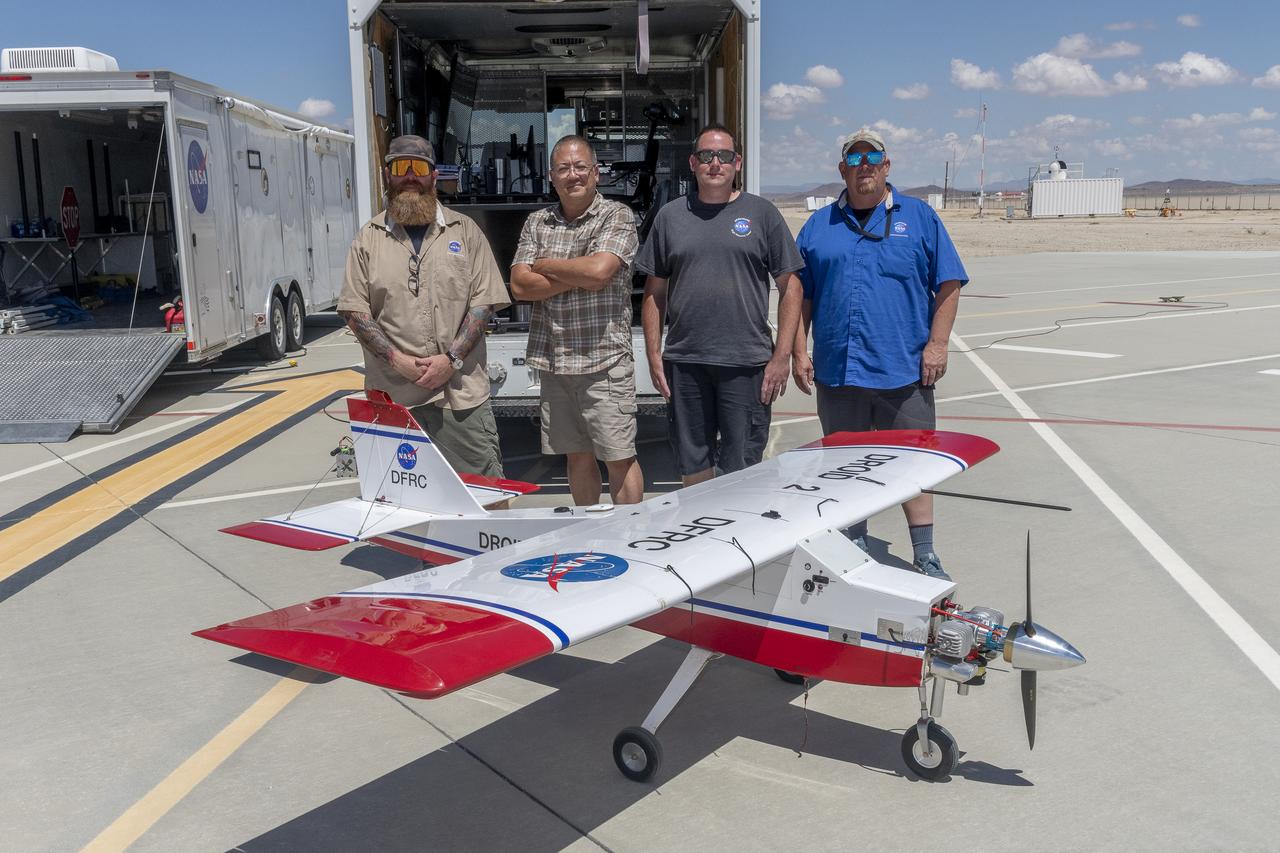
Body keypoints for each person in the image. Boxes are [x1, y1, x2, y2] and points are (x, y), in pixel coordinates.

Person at [792, 127, 967, 580]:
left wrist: (938, 344)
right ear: (842, 169)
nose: (864, 165)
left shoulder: (921, 218)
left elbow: (948, 283)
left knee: (914, 466)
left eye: (873, 157)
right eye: (854, 158)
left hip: (904, 370)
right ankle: (853, 542)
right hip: (839, 371)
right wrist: (798, 350)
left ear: (887, 167)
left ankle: (925, 552)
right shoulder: (818, 226)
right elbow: (802, 295)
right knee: (844, 467)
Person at [637, 123, 803, 485]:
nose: (716, 163)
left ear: (737, 163)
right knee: (692, 465)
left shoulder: (762, 214)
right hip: (685, 363)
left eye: (724, 156)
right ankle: (703, 537)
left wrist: (781, 358)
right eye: (707, 156)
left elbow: (791, 287)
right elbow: (655, 292)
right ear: (693, 163)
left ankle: (743, 540)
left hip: (746, 363)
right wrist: (653, 354)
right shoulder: (670, 217)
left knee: (742, 469)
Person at [337, 134, 510, 477]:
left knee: (486, 496)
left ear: (434, 176)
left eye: (419, 167)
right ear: (388, 175)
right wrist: (397, 361)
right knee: (399, 502)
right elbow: (355, 311)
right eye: (401, 167)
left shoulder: (466, 232)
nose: (410, 176)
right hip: (393, 397)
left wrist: (451, 360)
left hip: (459, 397)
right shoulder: (368, 239)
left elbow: (483, 303)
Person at [510, 135, 644, 505]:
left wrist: (548, 266)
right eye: (564, 168)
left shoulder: (616, 215)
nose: (573, 175)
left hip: (604, 362)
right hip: (555, 362)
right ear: (551, 177)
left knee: (618, 457)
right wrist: (577, 273)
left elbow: (600, 272)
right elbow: (520, 285)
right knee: (577, 456)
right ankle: (590, 535)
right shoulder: (537, 221)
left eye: (581, 166)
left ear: (596, 173)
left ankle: (632, 538)